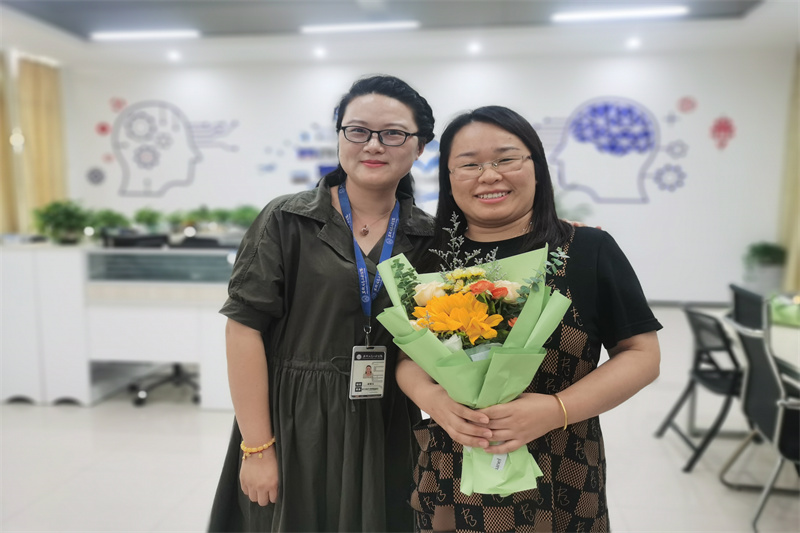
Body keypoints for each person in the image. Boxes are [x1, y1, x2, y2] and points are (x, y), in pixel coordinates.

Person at [396, 105, 662, 532]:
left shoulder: (587, 249)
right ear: (448, 177)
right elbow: (409, 359)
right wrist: (435, 402)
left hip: (562, 464)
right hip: (454, 466)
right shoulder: (430, 259)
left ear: (536, 166)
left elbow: (642, 355)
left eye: (506, 159)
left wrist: (556, 409)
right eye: (469, 164)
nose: (489, 175)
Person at [208, 75, 437, 532]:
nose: (373, 145)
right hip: (295, 419)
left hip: (386, 420)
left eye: (393, 133)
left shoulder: (430, 236)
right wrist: (257, 448)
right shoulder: (287, 219)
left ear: (420, 147)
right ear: (339, 137)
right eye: (358, 130)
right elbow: (243, 328)